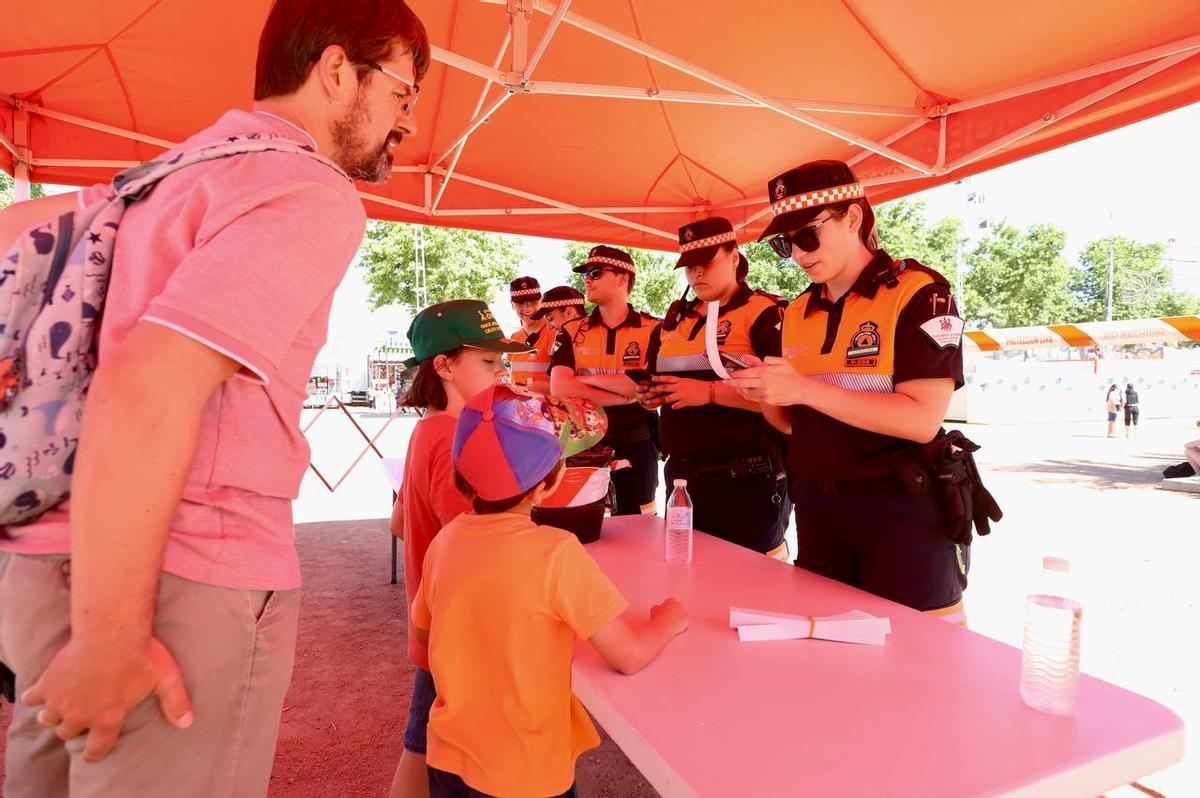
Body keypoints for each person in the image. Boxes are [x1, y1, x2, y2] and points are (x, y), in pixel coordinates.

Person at [0, 3, 429, 796]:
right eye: (405, 91)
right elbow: (147, 387)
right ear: (337, 71)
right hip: (172, 583)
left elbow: (14, 231)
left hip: (45, 562)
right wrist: (112, 642)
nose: (408, 119)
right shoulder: (305, 188)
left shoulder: (152, 180)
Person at [412, 384, 689, 797]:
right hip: (524, 770)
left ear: (461, 478)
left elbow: (423, 631)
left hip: (449, 755)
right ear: (552, 480)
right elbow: (627, 656)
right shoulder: (556, 553)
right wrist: (667, 622)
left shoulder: (447, 540)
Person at [728, 160, 971, 625]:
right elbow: (792, 424)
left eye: (807, 236)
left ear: (854, 218)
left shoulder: (918, 294)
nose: (797, 255)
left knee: (919, 660)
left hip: (900, 508)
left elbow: (921, 420)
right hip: (819, 508)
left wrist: (803, 388)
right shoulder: (796, 311)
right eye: (785, 244)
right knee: (830, 659)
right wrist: (767, 393)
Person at [388, 300, 532, 798]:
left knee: (421, 743)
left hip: (436, 626)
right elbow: (482, 545)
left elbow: (400, 523)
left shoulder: (426, 430)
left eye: (502, 362)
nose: (501, 372)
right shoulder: (458, 439)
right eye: (488, 362)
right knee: (471, 766)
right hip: (466, 632)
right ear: (444, 366)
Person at [638, 217, 791, 556]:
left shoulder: (765, 313)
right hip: (682, 481)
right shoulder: (672, 322)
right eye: (689, 266)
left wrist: (708, 393)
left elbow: (790, 402)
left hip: (747, 484)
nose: (697, 274)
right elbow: (657, 382)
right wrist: (650, 397)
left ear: (734, 257)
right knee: (687, 577)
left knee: (754, 588)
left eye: (707, 263)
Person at [550, 246, 662, 515]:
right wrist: (624, 395)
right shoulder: (571, 331)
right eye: (586, 274)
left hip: (636, 443)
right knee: (582, 526)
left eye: (595, 273)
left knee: (639, 529)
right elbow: (560, 387)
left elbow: (641, 386)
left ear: (622, 279)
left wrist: (582, 379)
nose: (586, 279)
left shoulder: (653, 328)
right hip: (583, 445)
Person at [506, 276, 551, 392]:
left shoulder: (557, 333)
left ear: (541, 301)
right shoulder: (513, 338)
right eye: (520, 303)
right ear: (511, 304)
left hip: (552, 407)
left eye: (533, 302)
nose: (527, 308)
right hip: (521, 407)